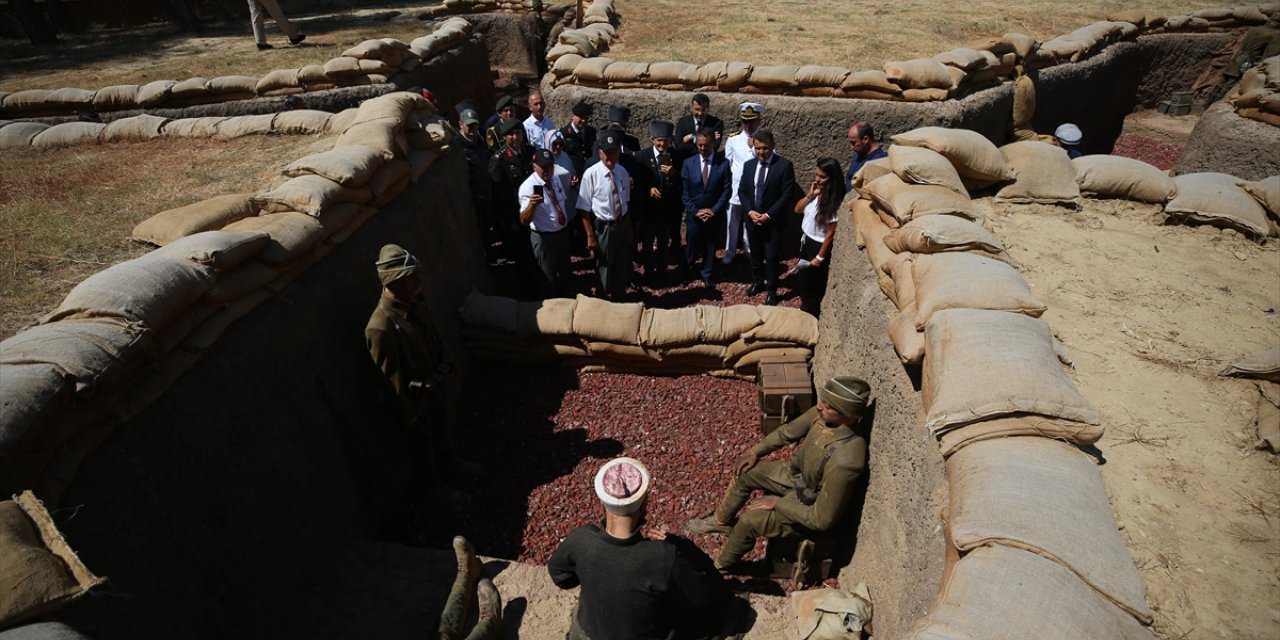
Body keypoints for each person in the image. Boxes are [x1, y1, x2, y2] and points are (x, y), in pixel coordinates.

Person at [685, 376, 871, 574]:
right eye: (822, 401)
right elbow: (786, 433)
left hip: (809, 503)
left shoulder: (846, 460)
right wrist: (755, 452)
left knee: (750, 521)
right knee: (745, 472)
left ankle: (721, 567)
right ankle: (721, 522)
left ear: (848, 415)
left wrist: (778, 503)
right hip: (796, 478)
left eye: (828, 406)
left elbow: (821, 520)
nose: (818, 406)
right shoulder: (822, 416)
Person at [548, 458, 742, 640]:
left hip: (593, 628)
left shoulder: (580, 539)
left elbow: (561, 577)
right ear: (644, 503)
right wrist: (680, 545)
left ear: (603, 501)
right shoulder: (662, 556)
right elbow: (704, 594)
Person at [366, 245, 480, 503]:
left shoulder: (415, 301)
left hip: (435, 385)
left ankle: (451, 463)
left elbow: (433, 335)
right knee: (422, 443)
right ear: (394, 282)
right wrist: (408, 413)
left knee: (442, 428)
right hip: (415, 400)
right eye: (411, 277)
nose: (418, 281)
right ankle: (433, 485)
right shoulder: (381, 327)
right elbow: (389, 378)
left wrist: (448, 359)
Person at [737, 128, 796, 306]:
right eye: (758, 148)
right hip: (753, 220)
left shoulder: (784, 165)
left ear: (772, 146)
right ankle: (757, 282)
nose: (761, 152)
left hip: (773, 223)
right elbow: (742, 191)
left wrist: (768, 215)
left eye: (765, 148)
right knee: (754, 255)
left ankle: (772, 290)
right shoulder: (749, 166)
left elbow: (786, 194)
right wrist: (750, 212)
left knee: (771, 257)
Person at [577, 131, 632, 300]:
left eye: (613, 152)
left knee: (621, 264)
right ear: (600, 153)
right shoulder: (591, 174)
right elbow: (583, 207)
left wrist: (629, 228)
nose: (609, 157)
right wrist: (590, 235)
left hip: (621, 224)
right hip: (604, 227)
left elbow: (626, 203)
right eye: (605, 153)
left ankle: (619, 299)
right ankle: (601, 301)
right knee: (604, 267)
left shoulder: (622, 172)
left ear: (619, 152)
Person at [789, 158, 845, 317]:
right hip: (806, 241)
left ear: (832, 179)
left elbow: (830, 233)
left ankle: (810, 313)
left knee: (814, 284)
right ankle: (806, 308)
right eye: (816, 175)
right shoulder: (816, 194)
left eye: (822, 177)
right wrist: (810, 195)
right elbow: (797, 209)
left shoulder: (835, 202)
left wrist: (819, 257)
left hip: (818, 246)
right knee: (804, 279)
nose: (817, 179)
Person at [519, 148, 575, 298]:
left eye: (550, 166)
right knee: (548, 277)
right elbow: (524, 220)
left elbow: (561, 201)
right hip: (545, 238)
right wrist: (532, 205)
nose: (548, 170)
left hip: (562, 234)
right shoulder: (528, 187)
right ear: (534, 166)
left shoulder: (554, 178)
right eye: (544, 167)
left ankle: (566, 300)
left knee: (565, 272)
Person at [680, 130, 732, 288]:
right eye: (699, 145)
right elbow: (684, 192)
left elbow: (726, 191)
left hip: (714, 215)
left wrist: (714, 210)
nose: (702, 148)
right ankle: (687, 273)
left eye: (706, 145)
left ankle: (707, 274)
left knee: (710, 245)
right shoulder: (688, 163)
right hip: (694, 214)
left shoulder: (723, 164)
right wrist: (695, 211)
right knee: (691, 245)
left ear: (713, 144)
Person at [636, 120, 682, 283]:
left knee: (664, 241)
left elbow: (682, 182)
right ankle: (648, 271)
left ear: (671, 140)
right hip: (649, 209)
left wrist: (674, 174)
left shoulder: (676, 156)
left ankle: (663, 269)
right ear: (652, 140)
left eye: (666, 140)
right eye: (659, 140)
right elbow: (638, 182)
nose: (662, 144)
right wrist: (649, 189)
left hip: (667, 208)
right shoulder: (642, 156)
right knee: (648, 242)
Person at [488, 118, 536, 269]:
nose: (515, 137)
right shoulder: (498, 161)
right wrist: (510, 221)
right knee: (523, 256)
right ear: (504, 137)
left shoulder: (530, 152)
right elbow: (501, 197)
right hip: (515, 214)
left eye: (518, 133)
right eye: (511, 134)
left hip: (534, 210)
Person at [723, 102, 764, 265]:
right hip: (735, 187)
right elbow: (728, 163)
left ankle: (748, 250)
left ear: (759, 121)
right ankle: (730, 251)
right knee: (731, 222)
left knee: (750, 222)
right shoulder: (734, 139)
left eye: (752, 121)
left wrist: (754, 148)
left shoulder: (763, 139)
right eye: (745, 121)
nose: (748, 125)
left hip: (753, 189)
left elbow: (770, 157)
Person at [456, 106, 496, 264]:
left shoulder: (480, 140)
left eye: (475, 125)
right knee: (478, 230)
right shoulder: (458, 146)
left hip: (487, 192)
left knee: (489, 226)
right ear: (461, 125)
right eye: (469, 125)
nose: (472, 128)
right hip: (473, 198)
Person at [673, 93, 725, 162]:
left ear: (708, 107)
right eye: (697, 109)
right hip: (686, 163)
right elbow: (679, 146)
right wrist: (706, 143)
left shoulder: (716, 123)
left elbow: (714, 147)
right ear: (692, 107)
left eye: (704, 110)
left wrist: (693, 138)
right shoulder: (683, 122)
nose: (700, 113)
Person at [844, 121, 887, 193]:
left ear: (865, 139)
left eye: (854, 142)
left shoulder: (879, 160)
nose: (851, 147)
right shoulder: (857, 156)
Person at [559, 100, 597, 173]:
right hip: (572, 173)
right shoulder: (564, 133)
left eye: (586, 118)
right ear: (573, 116)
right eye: (581, 117)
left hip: (588, 171)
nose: (583, 121)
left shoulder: (591, 132)